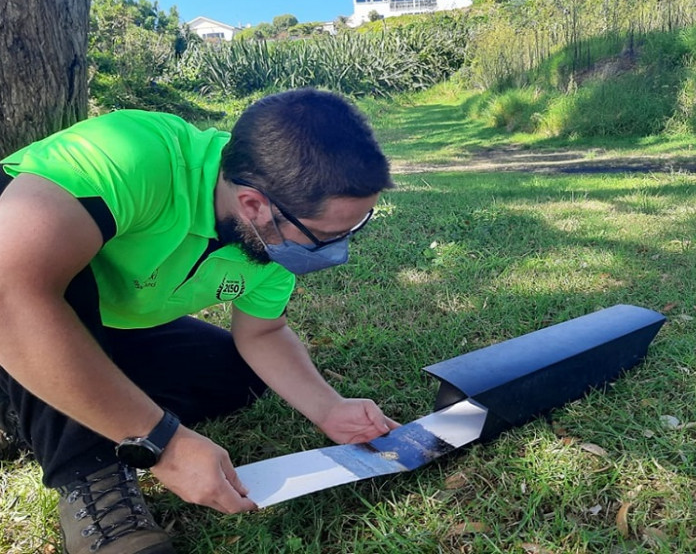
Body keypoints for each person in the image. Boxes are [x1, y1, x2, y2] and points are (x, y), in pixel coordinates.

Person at [0, 88, 400, 554]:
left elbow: (264, 332)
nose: (334, 250)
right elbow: (10, 293)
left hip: (110, 329)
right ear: (253, 204)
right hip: (22, 297)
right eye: (322, 236)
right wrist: (163, 444)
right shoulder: (133, 152)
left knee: (234, 375)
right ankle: (93, 479)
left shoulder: (268, 238)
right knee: (42, 271)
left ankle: (30, 399)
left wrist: (328, 407)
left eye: (353, 228)